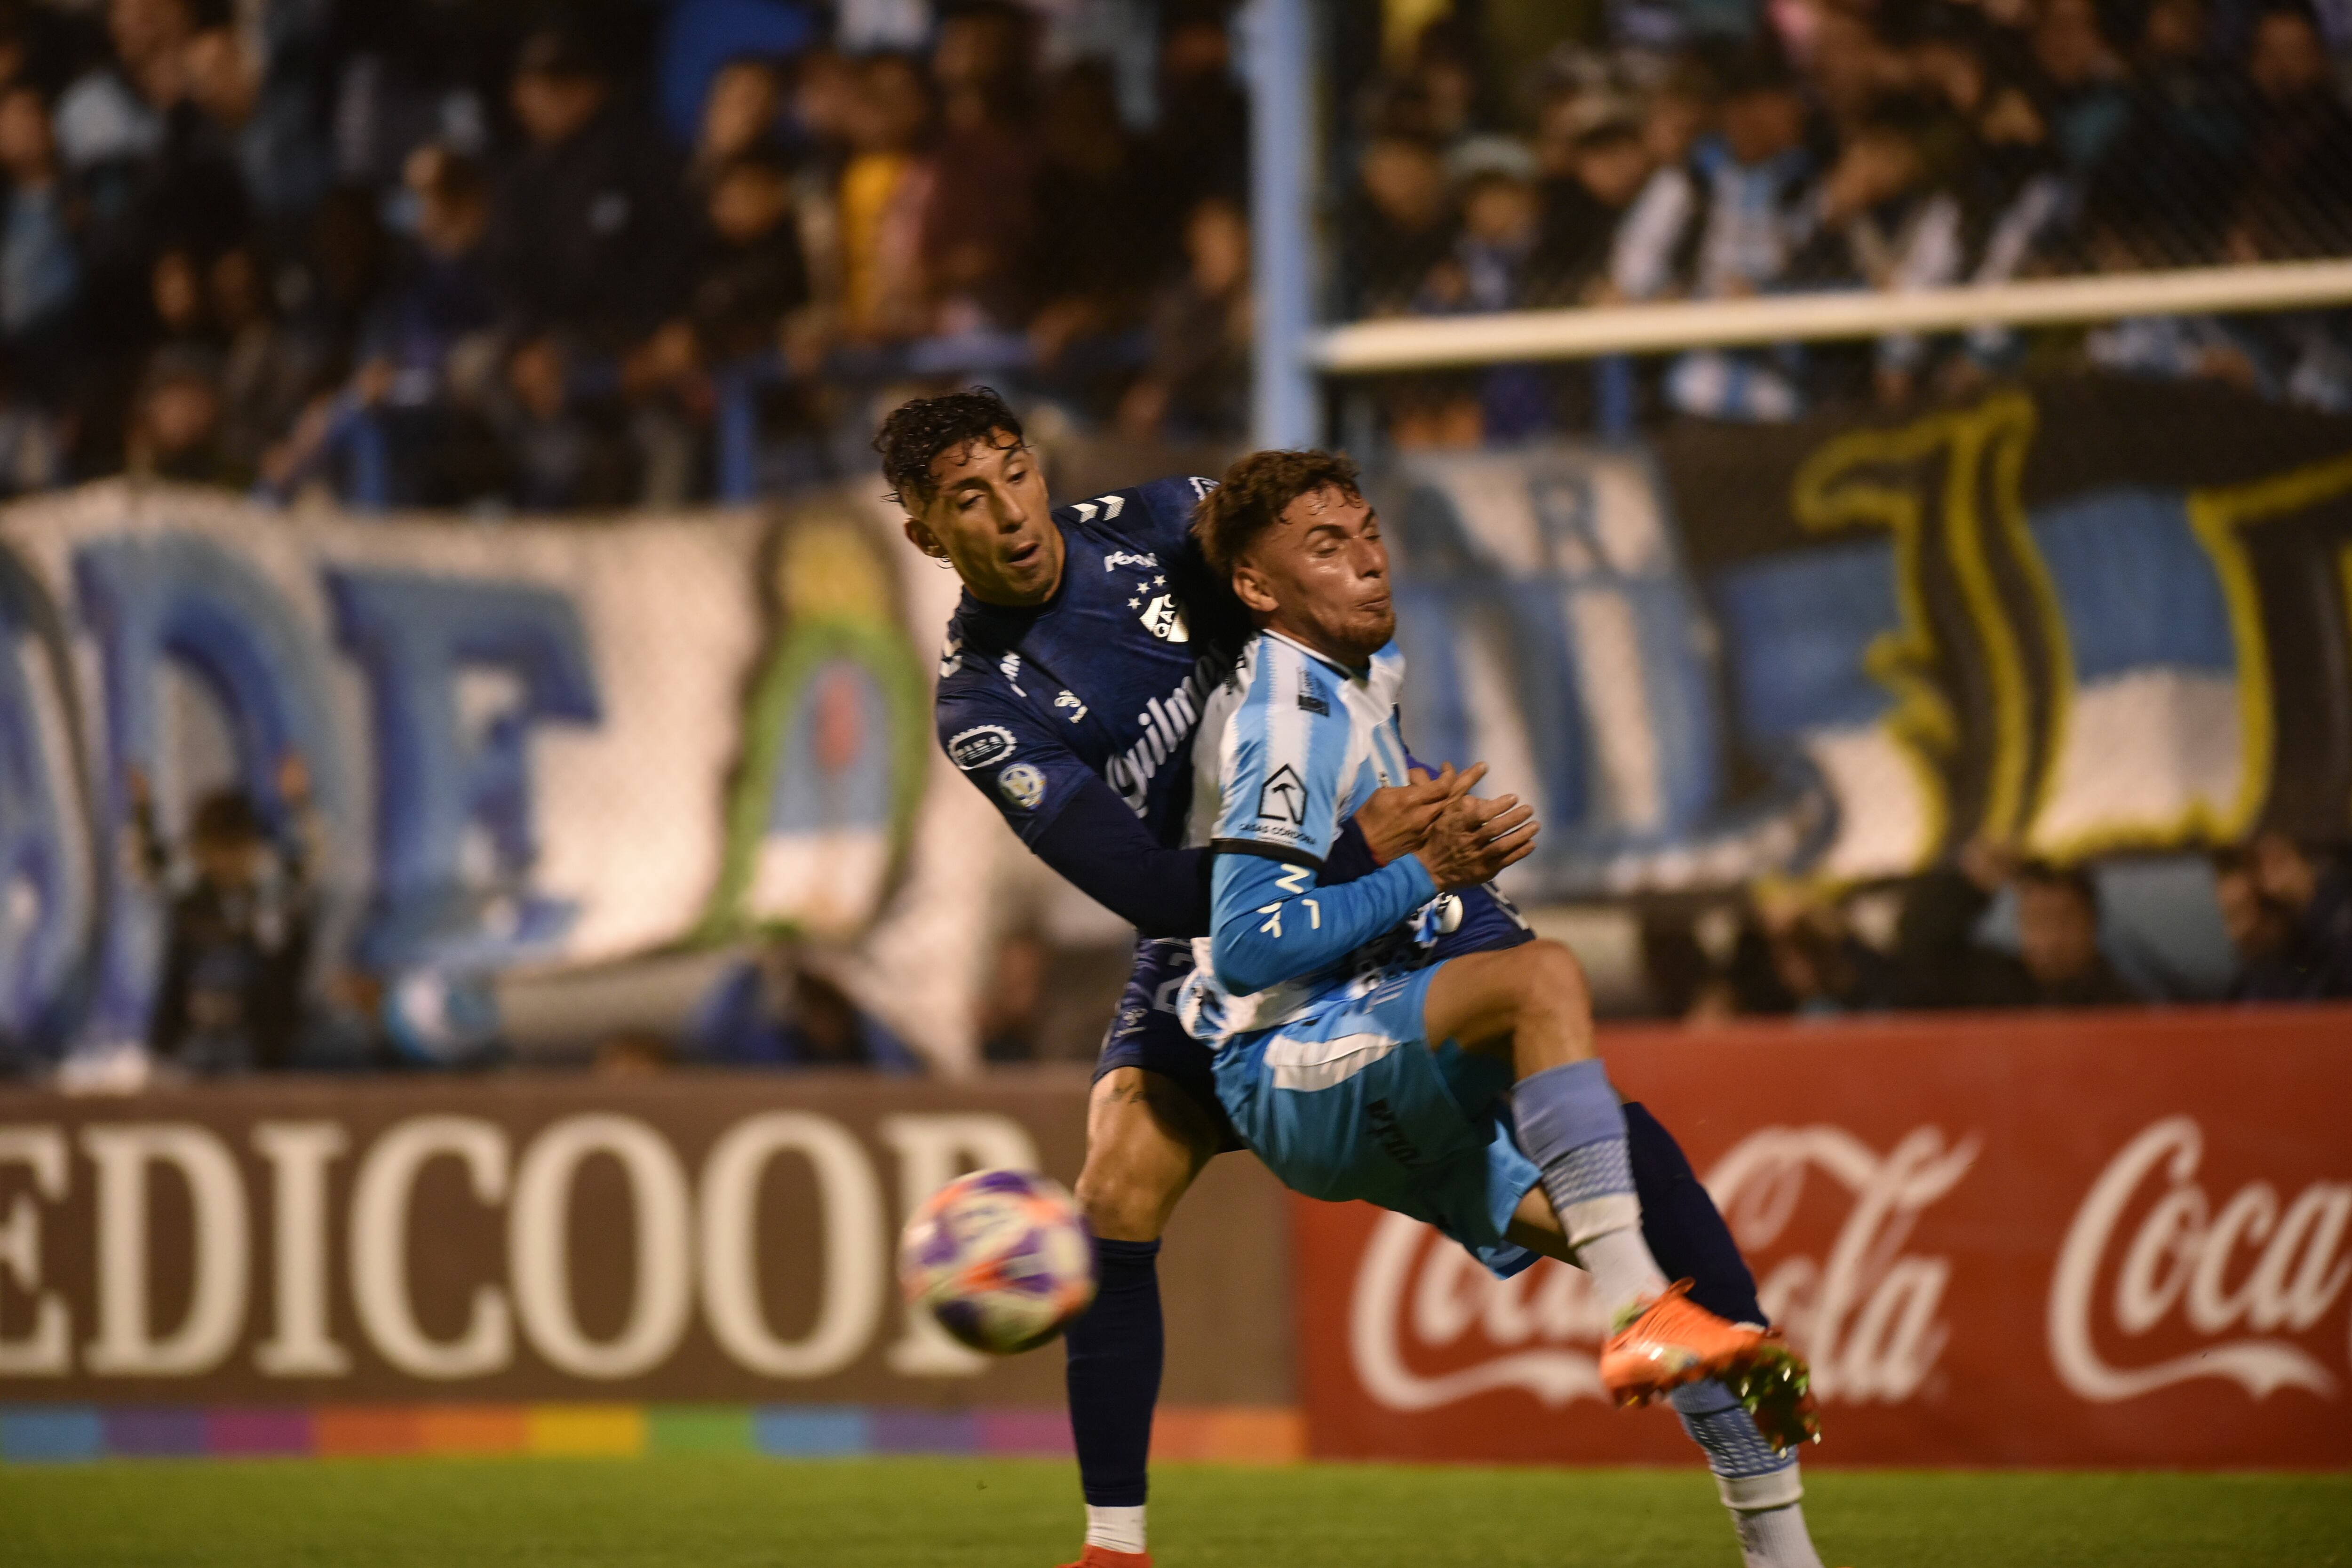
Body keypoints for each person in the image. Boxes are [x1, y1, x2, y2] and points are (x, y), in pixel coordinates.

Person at [880, 389, 1816, 1568]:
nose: (1008, 510)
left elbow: (1330, 612)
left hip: (1385, 873)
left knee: (1587, 1171)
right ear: (926, 536)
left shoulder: (1169, 521)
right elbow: (1153, 894)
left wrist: (1387, 815)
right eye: (966, 498)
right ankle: (1113, 1544)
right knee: (1119, 1174)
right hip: (1243, 916)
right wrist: (1362, 848)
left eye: (1013, 471)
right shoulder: (987, 704)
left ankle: (1727, 1345)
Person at [1178, 448, 1824, 1567]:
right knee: (1547, 983)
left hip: (1385, 1053)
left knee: (1707, 1287)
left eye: (1367, 531)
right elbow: (1245, 945)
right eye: (1325, 548)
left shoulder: (1359, 682)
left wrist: (1454, 895)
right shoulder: (1285, 714)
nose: (1370, 561)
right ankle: (1634, 1316)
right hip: (1288, 1063)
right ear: (1257, 587)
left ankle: (1783, 1553)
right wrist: (1425, 875)